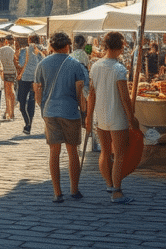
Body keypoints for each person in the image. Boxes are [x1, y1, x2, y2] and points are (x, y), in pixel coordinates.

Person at [85, 31, 139, 204]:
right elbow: (124, 97)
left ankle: (110, 184)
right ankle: (116, 191)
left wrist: (89, 116)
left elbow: (91, 95)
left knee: (106, 152)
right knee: (120, 154)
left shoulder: (96, 66)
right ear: (121, 46)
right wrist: (131, 117)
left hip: (101, 115)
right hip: (117, 116)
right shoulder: (118, 68)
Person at [34, 32, 87, 203]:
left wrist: (43, 106)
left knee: (54, 152)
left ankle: (57, 192)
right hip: (70, 111)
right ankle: (74, 189)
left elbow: (37, 89)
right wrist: (81, 108)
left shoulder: (42, 64)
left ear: (51, 46)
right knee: (73, 152)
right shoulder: (75, 64)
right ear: (67, 46)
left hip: (50, 111)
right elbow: (80, 91)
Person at [16, 34, 43, 135]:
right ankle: (29, 125)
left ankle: (27, 124)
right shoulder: (42, 51)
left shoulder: (25, 50)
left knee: (22, 104)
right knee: (32, 101)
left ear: (29, 40)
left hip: (25, 78)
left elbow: (22, 63)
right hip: (36, 79)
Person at [0, 35, 17, 120]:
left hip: (4, 72)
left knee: (7, 94)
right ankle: (11, 112)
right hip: (12, 72)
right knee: (11, 91)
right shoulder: (12, 50)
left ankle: (8, 112)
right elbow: (15, 61)